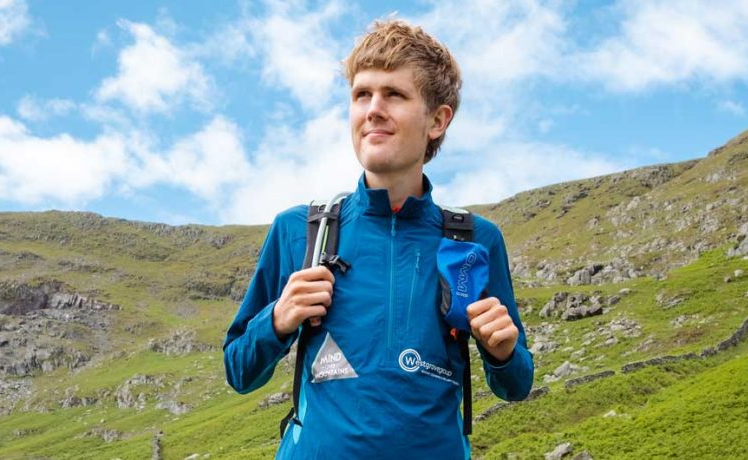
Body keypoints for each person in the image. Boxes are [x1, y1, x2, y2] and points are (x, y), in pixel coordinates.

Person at [223, 18, 533, 459]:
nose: (373, 109)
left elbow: (516, 385)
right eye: (361, 94)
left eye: (395, 95)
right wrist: (277, 319)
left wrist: (503, 353)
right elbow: (239, 371)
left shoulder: (475, 240)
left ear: (437, 120)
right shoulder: (301, 231)